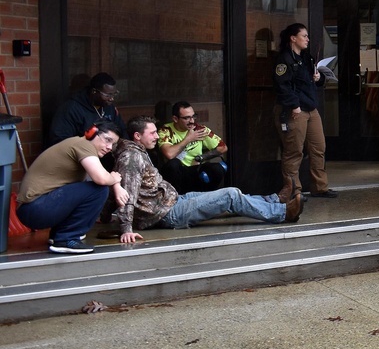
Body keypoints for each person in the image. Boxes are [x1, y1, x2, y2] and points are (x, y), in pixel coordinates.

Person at [112, 116, 303, 244]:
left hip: (172, 201)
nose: (156, 136)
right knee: (229, 195)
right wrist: (126, 228)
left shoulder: (136, 152)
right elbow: (126, 192)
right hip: (167, 214)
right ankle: (283, 213)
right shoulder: (131, 157)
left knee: (225, 197)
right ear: (137, 136)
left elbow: (114, 187)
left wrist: (104, 215)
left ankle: (275, 199)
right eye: (152, 133)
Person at [16, 121, 127, 254]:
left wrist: (114, 183)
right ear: (92, 132)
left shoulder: (79, 146)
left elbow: (97, 179)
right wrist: (114, 180)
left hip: (34, 208)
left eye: (113, 144)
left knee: (90, 189)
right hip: (34, 208)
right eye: (107, 140)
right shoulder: (83, 145)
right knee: (99, 191)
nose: (109, 147)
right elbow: (101, 179)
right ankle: (66, 238)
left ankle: (58, 236)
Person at [273, 23, 337, 200]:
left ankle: (320, 187)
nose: (308, 39)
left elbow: (314, 82)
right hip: (295, 110)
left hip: (310, 107)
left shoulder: (307, 58)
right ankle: (293, 191)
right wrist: (294, 105)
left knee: (318, 148)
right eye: (304, 36)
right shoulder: (284, 59)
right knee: (294, 151)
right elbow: (282, 86)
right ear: (293, 38)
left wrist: (319, 77)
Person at [157, 101, 228, 194]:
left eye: (193, 116)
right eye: (186, 118)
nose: (192, 121)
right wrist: (188, 139)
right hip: (178, 174)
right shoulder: (166, 130)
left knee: (218, 169)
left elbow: (223, 147)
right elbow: (169, 154)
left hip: (195, 169)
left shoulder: (199, 129)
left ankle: (206, 198)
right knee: (173, 164)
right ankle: (176, 200)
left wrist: (200, 158)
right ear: (175, 119)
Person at [47, 72, 126, 147]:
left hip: (107, 154)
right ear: (94, 91)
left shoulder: (109, 107)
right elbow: (60, 140)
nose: (111, 99)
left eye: (114, 94)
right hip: (82, 155)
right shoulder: (71, 109)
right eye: (107, 95)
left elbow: (121, 131)